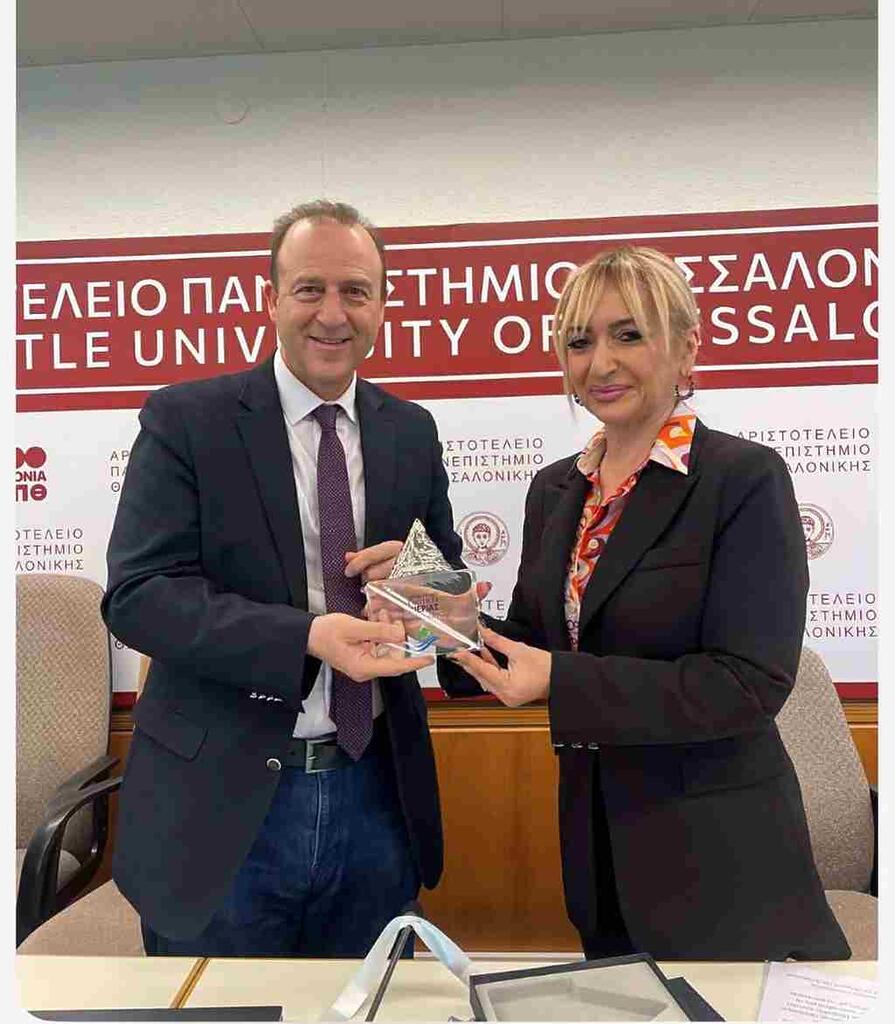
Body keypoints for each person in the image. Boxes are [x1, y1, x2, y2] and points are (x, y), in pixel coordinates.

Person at [445, 245, 851, 962]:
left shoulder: (742, 479)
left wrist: (559, 679)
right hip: (596, 855)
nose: (600, 362)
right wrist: (442, 618)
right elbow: (536, 645)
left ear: (685, 348)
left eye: (628, 335)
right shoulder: (555, 490)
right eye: (579, 342)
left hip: (721, 867)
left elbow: (746, 685)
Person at [102, 199, 463, 957]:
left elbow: (442, 601)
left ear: (381, 306)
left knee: (367, 1007)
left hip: (376, 798)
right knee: (223, 1010)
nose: (332, 314)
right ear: (271, 299)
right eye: (309, 289)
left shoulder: (411, 431)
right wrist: (306, 637)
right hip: (221, 814)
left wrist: (425, 585)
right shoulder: (186, 421)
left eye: (355, 291)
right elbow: (140, 596)